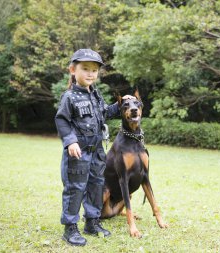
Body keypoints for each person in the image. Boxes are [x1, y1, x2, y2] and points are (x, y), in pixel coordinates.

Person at [55, 49, 127, 246]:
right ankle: (70, 229)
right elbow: (62, 120)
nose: (90, 74)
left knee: (96, 187)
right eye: (85, 69)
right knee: (75, 189)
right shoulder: (69, 97)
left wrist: (122, 104)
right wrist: (70, 141)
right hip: (78, 154)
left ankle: (92, 223)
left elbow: (105, 113)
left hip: (97, 153)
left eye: (94, 70)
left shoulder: (96, 95)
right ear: (72, 70)